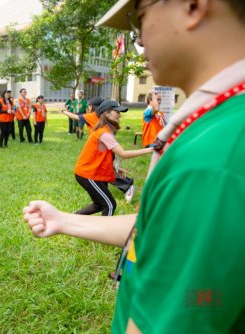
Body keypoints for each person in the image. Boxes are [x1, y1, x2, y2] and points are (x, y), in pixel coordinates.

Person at [25, 0, 245, 332]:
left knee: (108, 201)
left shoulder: (213, 158)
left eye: (138, 18)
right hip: (92, 174)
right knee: (108, 202)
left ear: (193, 5)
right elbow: (158, 229)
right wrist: (63, 221)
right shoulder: (215, 129)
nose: (138, 41)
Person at [71, 100, 153, 216]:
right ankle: (103, 233)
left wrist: (115, 169)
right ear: (107, 113)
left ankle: (73, 217)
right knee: (109, 205)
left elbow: (106, 155)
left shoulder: (106, 131)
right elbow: (123, 154)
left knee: (100, 204)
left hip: (94, 173)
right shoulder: (103, 133)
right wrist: (150, 150)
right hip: (87, 174)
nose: (119, 115)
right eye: (117, 112)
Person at [62, 96, 136, 203]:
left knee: (104, 171)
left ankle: (126, 185)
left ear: (92, 106)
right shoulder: (105, 119)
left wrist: (63, 111)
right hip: (106, 147)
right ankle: (108, 196)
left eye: (89, 106)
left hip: (101, 148)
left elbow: (74, 116)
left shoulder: (92, 116)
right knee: (105, 172)